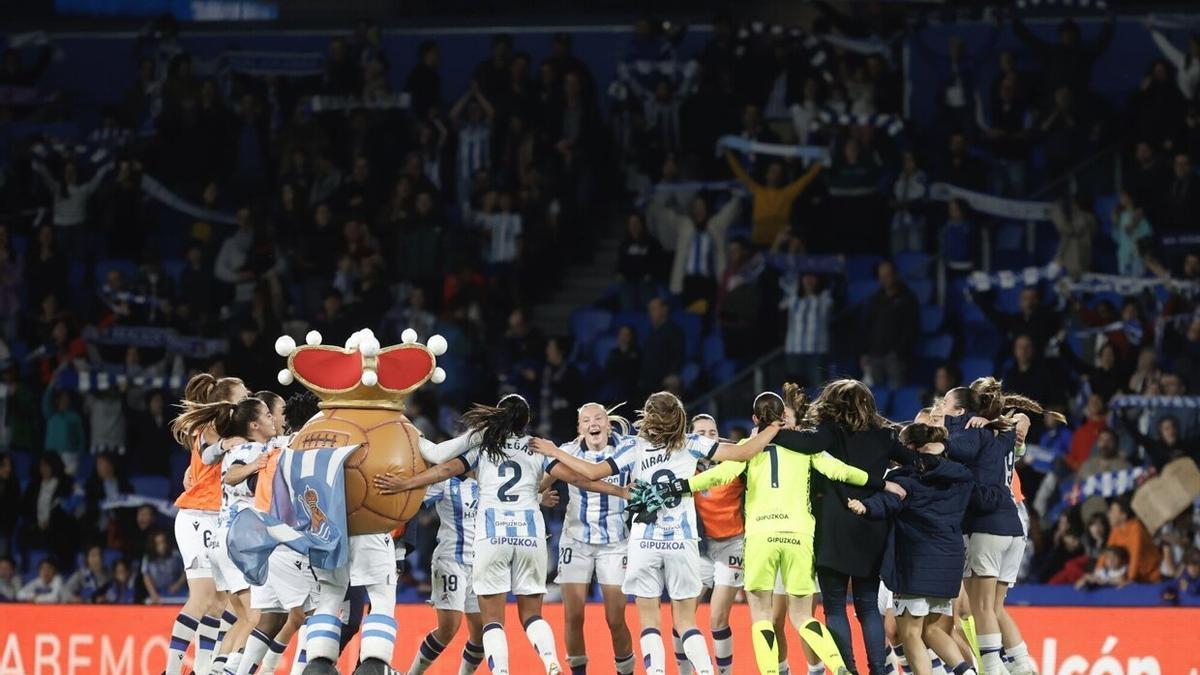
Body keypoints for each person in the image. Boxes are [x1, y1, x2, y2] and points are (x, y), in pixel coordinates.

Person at [650, 385, 904, 675]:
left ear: (754, 419)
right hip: (798, 537)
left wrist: (680, 487)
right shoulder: (804, 446)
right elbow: (841, 471)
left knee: (761, 615)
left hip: (761, 536)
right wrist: (883, 483)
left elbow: (719, 475)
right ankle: (840, 667)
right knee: (802, 616)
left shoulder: (749, 446)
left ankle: (770, 672)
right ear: (783, 416)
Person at [529, 391, 785, 675]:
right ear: (679, 417)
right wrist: (772, 427)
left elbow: (590, 473)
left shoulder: (634, 447)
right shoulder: (693, 442)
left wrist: (554, 451)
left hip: (644, 543)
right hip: (682, 541)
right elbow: (742, 453)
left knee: (650, 622)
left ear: (649, 417)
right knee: (687, 621)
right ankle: (705, 671)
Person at [375, 394, 629, 675]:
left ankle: (501, 671)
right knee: (532, 615)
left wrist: (406, 483)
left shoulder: (485, 448)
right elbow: (580, 479)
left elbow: (446, 468)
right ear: (527, 421)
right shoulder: (536, 448)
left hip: (491, 538)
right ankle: (550, 661)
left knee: (492, 621)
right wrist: (620, 491)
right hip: (530, 538)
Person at [847, 423, 978, 675]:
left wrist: (866, 507)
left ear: (910, 449)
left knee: (909, 633)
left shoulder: (905, 480)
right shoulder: (960, 477)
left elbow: (887, 501)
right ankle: (967, 672)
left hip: (914, 563)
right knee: (932, 630)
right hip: (949, 563)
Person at [175, 396, 277, 675]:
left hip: (223, 542)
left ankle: (210, 671)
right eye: (269, 415)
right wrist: (256, 466)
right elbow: (233, 475)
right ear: (254, 424)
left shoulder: (244, 447)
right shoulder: (251, 449)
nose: (273, 420)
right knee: (257, 618)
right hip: (238, 543)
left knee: (243, 619)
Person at [163, 373, 248, 675]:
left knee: (219, 603)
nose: (248, 396)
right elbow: (208, 451)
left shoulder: (225, 429)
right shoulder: (213, 429)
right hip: (199, 517)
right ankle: (172, 670)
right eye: (243, 393)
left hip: (216, 519)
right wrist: (227, 444)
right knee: (202, 598)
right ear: (228, 401)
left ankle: (202, 669)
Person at [545, 403, 636, 675]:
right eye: (586, 420)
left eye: (598, 418)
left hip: (615, 542)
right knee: (573, 616)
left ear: (608, 425)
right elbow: (538, 483)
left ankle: (626, 672)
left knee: (615, 619)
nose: (593, 424)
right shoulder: (568, 451)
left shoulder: (630, 448)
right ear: (579, 429)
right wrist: (539, 496)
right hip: (576, 542)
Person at [405, 469, 485, 675]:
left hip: (482, 564)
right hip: (451, 562)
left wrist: (540, 497)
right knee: (449, 628)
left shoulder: (490, 481)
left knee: (482, 632)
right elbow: (413, 502)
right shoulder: (445, 483)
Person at [689, 413, 743, 675]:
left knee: (717, 617)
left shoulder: (735, 460)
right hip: (700, 548)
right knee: (684, 616)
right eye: (701, 433)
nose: (708, 438)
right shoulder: (684, 465)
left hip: (733, 545)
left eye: (712, 433)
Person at [724, 151, 823, 247]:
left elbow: (807, 178)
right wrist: (727, 152)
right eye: (772, 171)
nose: (775, 175)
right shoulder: (757, 190)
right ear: (767, 174)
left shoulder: (787, 193)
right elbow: (739, 172)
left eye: (778, 172)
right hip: (758, 243)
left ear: (781, 177)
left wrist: (821, 161)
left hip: (780, 244)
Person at [1104, 499, 1162, 584]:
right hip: (1133, 577)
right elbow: (1106, 555)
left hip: (1151, 577)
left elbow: (1135, 555)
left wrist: (1129, 580)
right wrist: (1097, 574)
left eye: (1112, 511)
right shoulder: (1115, 530)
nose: (1109, 514)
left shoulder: (1135, 527)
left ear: (1124, 515)